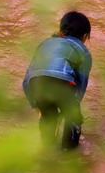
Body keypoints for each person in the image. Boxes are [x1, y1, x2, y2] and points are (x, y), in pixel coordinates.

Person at [23, 11, 93, 150]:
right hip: (64, 83)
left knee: (48, 116)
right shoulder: (83, 51)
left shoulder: (44, 44)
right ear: (85, 36)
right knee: (73, 119)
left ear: (61, 29)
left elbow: (27, 79)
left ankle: (46, 149)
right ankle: (69, 153)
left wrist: (35, 106)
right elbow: (81, 85)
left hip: (36, 83)